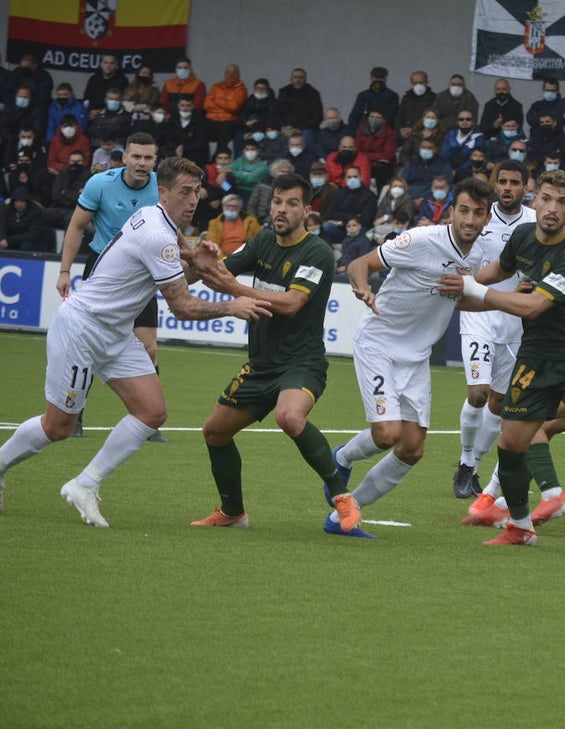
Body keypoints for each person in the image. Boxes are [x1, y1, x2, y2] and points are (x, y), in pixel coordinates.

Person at [0, 157, 269, 525]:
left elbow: (176, 281)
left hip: (115, 332)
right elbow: (182, 306)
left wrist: (197, 264)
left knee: (152, 412)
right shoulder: (159, 234)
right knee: (58, 427)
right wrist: (231, 306)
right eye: (184, 192)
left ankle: (85, 484)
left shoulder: (163, 224)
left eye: (197, 192)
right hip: (82, 328)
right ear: (163, 191)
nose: (193, 200)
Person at [437, 170, 565, 549]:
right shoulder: (523, 238)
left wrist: (474, 290)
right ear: (535, 200)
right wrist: (453, 288)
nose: (553, 208)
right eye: (546, 199)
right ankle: (521, 527)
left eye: (562, 202)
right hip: (535, 355)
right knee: (510, 445)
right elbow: (492, 274)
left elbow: (533, 306)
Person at [317, 178, 494, 539]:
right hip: (379, 343)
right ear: (451, 212)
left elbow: (458, 299)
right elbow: (360, 264)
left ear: (487, 217)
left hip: (416, 357)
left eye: (478, 212)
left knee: (412, 449)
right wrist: (363, 286)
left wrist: (510, 303)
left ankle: (344, 517)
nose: (470, 219)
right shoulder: (421, 240)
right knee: (387, 434)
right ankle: (343, 458)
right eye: (463, 210)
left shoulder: (478, 254)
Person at [189, 172, 364, 532]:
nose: (282, 209)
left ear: (307, 211)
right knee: (214, 432)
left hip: (302, 362)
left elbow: (291, 303)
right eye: (278, 201)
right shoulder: (262, 241)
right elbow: (210, 273)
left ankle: (341, 495)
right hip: (261, 365)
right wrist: (195, 259)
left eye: (292, 203)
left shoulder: (317, 252)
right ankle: (233, 512)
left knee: (290, 417)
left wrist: (232, 286)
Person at [58, 133, 166, 435]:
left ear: (155, 161)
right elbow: (77, 226)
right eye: (136, 157)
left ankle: (147, 422)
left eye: (148, 158)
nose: (142, 163)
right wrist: (65, 271)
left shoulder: (162, 188)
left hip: (143, 274)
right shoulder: (100, 183)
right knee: (88, 346)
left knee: (149, 347)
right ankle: (74, 415)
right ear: (124, 158)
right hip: (103, 270)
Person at [453, 161, 536, 501]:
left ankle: (472, 465)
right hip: (479, 313)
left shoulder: (534, 222)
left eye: (514, 182)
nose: (507, 187)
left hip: (515, 320)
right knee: (478, 393)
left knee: (500, 402)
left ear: (525, 187)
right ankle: (464, 462)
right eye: (501, 181)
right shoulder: (479, 218)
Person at [204, 64, 247, 156]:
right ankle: (204, 160)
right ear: (224, 74)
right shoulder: (216, 86)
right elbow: (206, 105)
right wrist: (225, 107)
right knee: (200, 130)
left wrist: (216, 100)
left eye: (234, 72)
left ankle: (217, 160)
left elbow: (234, 107)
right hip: (211, 119)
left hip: (229, 121)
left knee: (225, 131)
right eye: (228, 72)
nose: (231, 74)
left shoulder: (241, 89)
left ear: (238, 75)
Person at [277, 69, 324, 153]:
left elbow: (318, 117)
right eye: (295, 77)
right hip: (287, 127)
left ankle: (310, 162)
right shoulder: (284, 92)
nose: (298, 80)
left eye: (301, 77)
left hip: (307, 128)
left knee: (308, 136)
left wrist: (299, 128)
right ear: (291, 79)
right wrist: (286, 127)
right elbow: (278, 112)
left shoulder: (313, 93)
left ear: (305, 80)